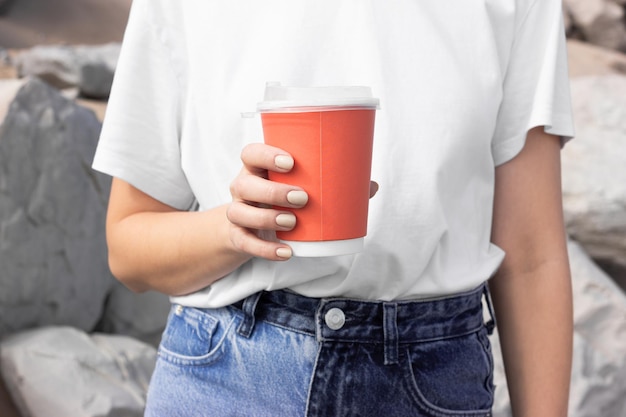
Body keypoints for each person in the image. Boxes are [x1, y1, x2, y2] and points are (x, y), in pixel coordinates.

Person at [92, 0, 575, 416]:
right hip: (226, 379)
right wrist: (231, 229)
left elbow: (533, 259)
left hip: (432, 381)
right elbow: (129, 248)